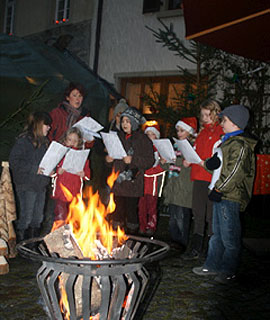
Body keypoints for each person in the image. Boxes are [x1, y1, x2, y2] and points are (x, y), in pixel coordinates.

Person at [192, 104, 257, 284]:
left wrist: (220, 189)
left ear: (235, 123)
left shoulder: (241, 144)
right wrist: (206, 163)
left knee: (230, 237)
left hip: (229, 196)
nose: (222, 123)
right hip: (220, 193)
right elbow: (219, 164)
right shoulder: (227, 141)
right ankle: (212, 265)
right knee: (217, 235)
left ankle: (228, 270)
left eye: (225, 120)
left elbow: (235, 171)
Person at [182, 99, 224, 260]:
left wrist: (203, 161)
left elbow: (217, 157)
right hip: (199, 176)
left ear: (215, 114)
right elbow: (195, 152)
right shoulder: (202, 133)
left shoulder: (220, 131)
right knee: (198, 213)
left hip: (212, 178)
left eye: (208, 115)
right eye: (203, 115)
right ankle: (196, 248)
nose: (205, 118)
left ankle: (211, 250)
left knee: (211, 216)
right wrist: (188, 160)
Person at [105, 107, 155, 234]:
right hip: (119, 183)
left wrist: (132, 160)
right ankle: (115, 239)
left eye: (127, 121)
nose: (124, 124)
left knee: (131, 212)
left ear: (134, 123)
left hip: (133, 184)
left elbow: (149, 161)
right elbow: (112, 156)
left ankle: (131, 239)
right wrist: (108, 159)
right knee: (117, 211)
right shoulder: (118, 137)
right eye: (123, 121)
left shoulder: (143, 140)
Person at [9, 111, 52, 242]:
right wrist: (35, 169)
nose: (49, 128)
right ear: (38, 125)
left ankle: (32, 245)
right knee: (26, 217)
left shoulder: (45, 142)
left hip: (40, 185)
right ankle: (22, 245)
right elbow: (14, 161)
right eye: (46, 125)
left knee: (38, 218)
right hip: (26, 185)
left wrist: (51, 169)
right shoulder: (24, 141)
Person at [161, 117, 197, 250]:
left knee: (182, 218)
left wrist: (176, 161)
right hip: (173, 187)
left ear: (190, 132)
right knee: (173, 219)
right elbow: (168, 168)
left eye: (182, 130)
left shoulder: (193, 146)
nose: (179, 133)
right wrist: (164, 162)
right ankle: (174, 243)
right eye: (178, 130)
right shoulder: (175, 146)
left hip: (184, 189)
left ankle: (182, 245)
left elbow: (190, 164)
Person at [51, 127, 90, 225]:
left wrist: (83, 174)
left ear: (79, 142)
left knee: (73, 218)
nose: (72, 142)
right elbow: (50, 169)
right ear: (65, 140)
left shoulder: (82, 156)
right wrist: (57, 171)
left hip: (75, 193)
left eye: (75, 141)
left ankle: (71, 238)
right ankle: (59, 237)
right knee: (60, 217)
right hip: (60, 192)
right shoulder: (59, 153)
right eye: (69, 140)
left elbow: (88, 175)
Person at [138, 122, 166, 236]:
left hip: (153, 180)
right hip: (143, 180)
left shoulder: (159, 149)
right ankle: (142, 225)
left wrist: (162, 164)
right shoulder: (142, 148)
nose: (149, 137)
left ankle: (151, 225)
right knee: (141, 205)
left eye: (152, 134)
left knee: (152, 205)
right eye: (147, 134)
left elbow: (163, 165)